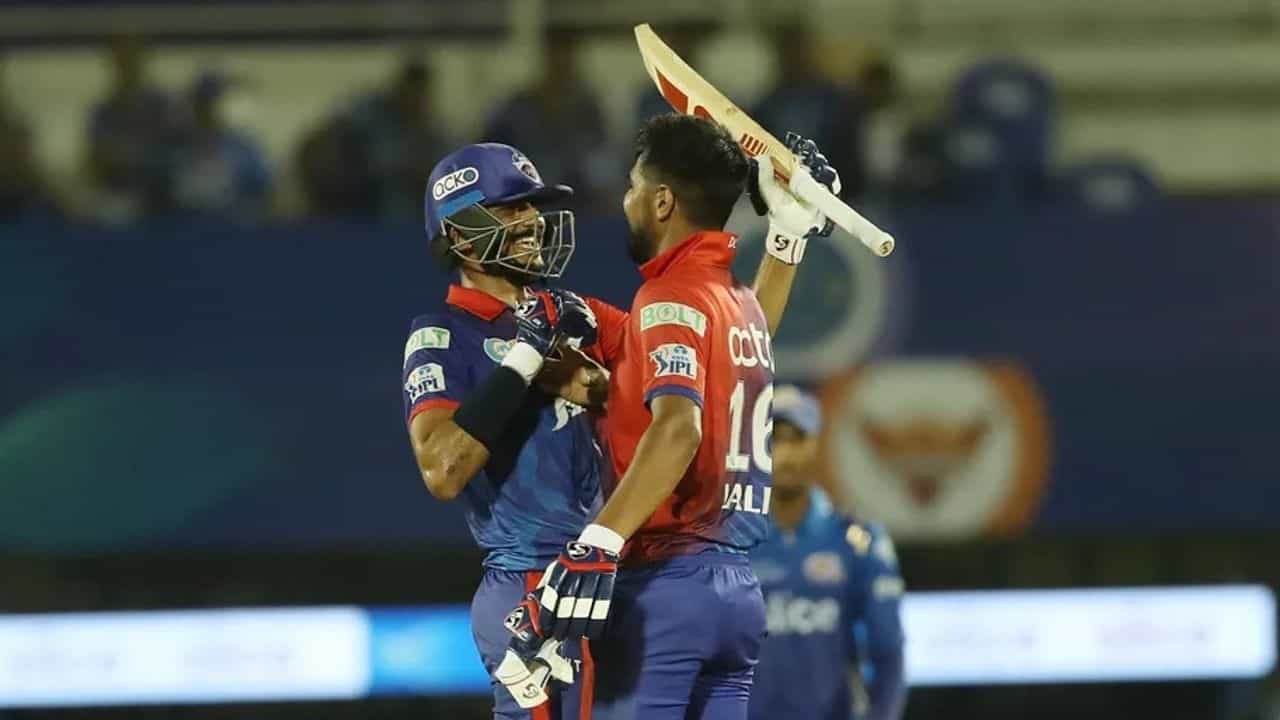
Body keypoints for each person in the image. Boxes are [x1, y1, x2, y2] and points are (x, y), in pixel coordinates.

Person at [512, 115, 841, 720]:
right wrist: (787, 239)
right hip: (737, 596)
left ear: (663, 201)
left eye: (634, 186)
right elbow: (748, 343)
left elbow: (678, 427)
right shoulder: (738, 304)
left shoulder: (668, 296)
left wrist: (599, 539)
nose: (626, 200)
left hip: (664, 591)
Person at [748, 386, 906, 720]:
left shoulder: (856, 542)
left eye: (797, 438)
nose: (786, 453)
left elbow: (888, 649)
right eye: (774, 439)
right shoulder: (731, 540)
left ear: (816, 444)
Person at [162, 71, 271, 219]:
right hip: (181, 225)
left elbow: (263, 193)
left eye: (212, 103)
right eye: (201, 103)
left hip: (232, 225)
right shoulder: (174, 149)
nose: (207, 110)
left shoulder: (242, 149)